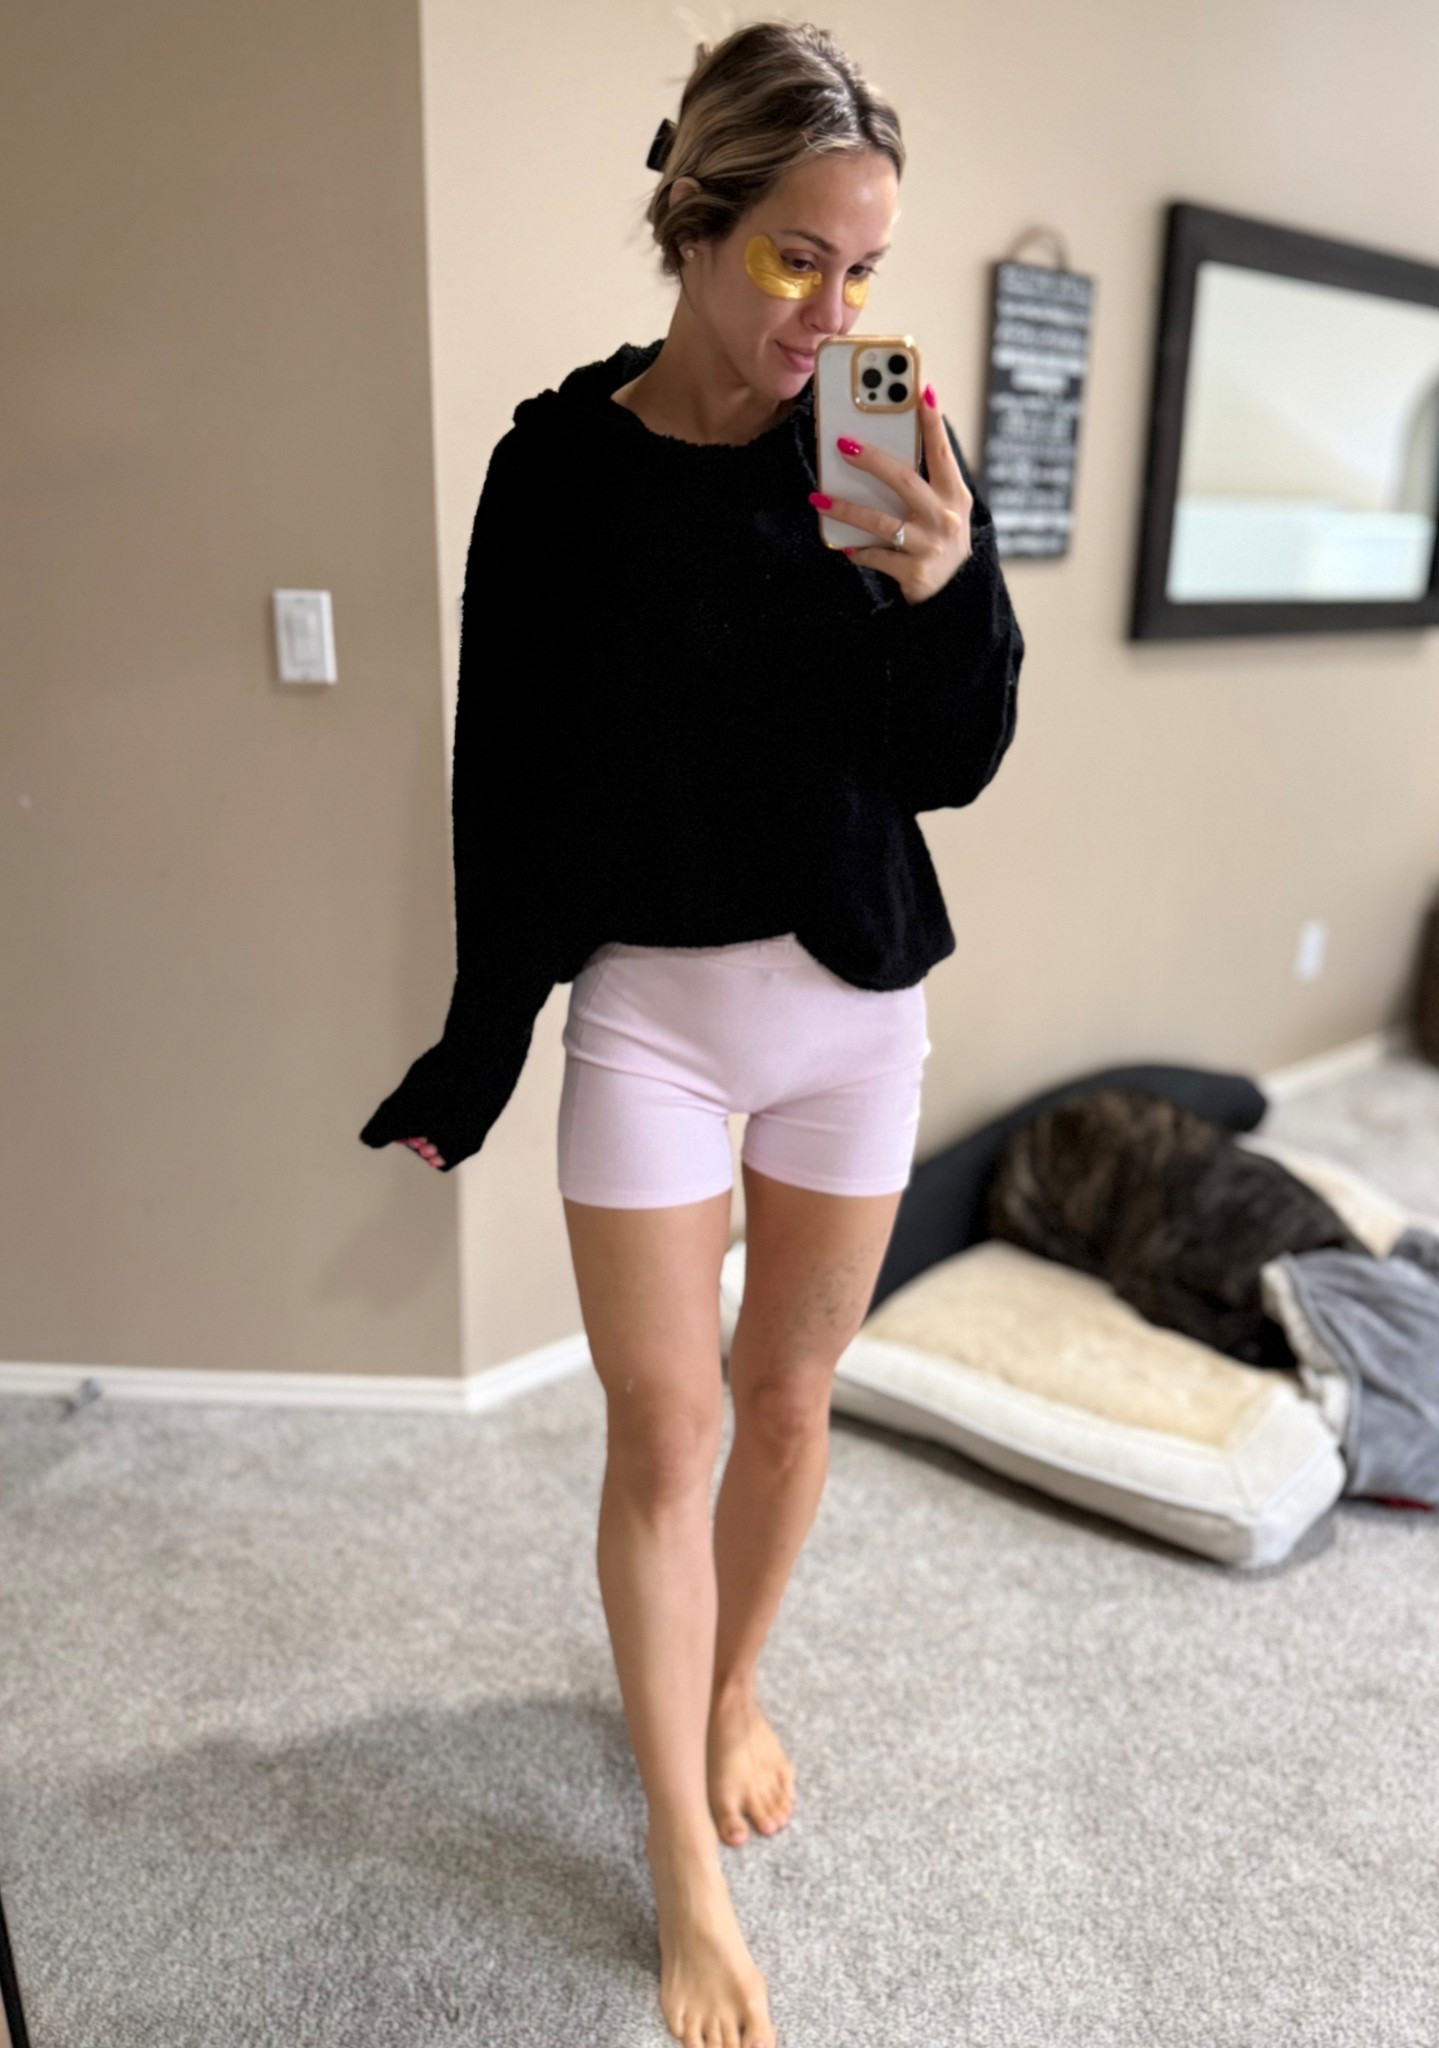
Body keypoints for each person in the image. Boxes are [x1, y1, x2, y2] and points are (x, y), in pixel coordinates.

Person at [360, 20, 1024, 2047]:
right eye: (796, 258)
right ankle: (678, 1848)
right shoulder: (559, 470)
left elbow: (955, 759)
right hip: (651, 1012)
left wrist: (948, 590)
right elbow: (505, 778)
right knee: (665, 1432)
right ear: (697, 224)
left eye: (865, 269)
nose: (834, 313)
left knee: (791, 1395)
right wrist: (480, 1041)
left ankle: (731, 1683)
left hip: (857, 1001)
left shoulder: (887, 439)